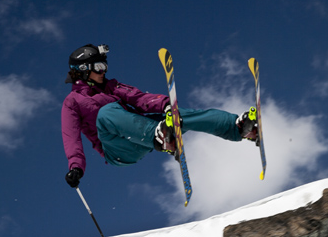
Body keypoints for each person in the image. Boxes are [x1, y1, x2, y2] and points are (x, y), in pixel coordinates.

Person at [62, 43, 258, 188]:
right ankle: (160, 136)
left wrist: (165, 106)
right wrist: (76, 168)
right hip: (117, 151)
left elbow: (138, 98)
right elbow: (71, 139)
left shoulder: (111, 86)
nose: (104, 71)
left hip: (143, 135)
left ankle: (238, 128)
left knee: (178, 117)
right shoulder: (72, 102)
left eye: (104, 66)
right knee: (105, 114)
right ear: (83, 71)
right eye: (98, 67)